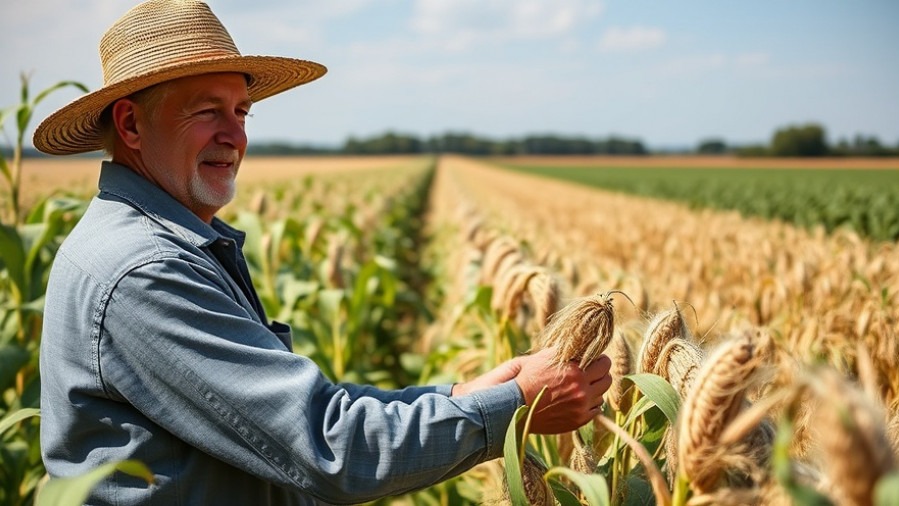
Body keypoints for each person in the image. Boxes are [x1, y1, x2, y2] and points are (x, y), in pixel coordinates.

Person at [34, 1, 613, 504]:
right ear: (131, 124)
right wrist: (516, 407)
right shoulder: (145, 270)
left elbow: (298, 410)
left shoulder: (168, 246)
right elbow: (328, 446)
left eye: (241, 112)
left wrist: (463, 396)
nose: (234, 137)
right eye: (206, 110)